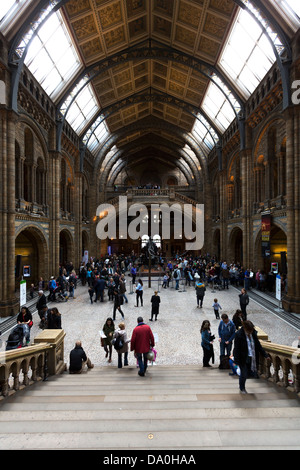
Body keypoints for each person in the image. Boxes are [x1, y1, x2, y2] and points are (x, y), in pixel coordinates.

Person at [233, 320, 270, 393]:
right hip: (243, 357)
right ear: (245, 328)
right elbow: (236, 348)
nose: (250, 332)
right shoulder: (239, 335)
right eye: (249, 330)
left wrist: (265, 355)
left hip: (251, 357)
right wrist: (236, 361)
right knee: (243, 373)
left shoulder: (253, 333)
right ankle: (242, 388)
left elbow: (258, 345)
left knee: (247, 372)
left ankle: (246, 381)